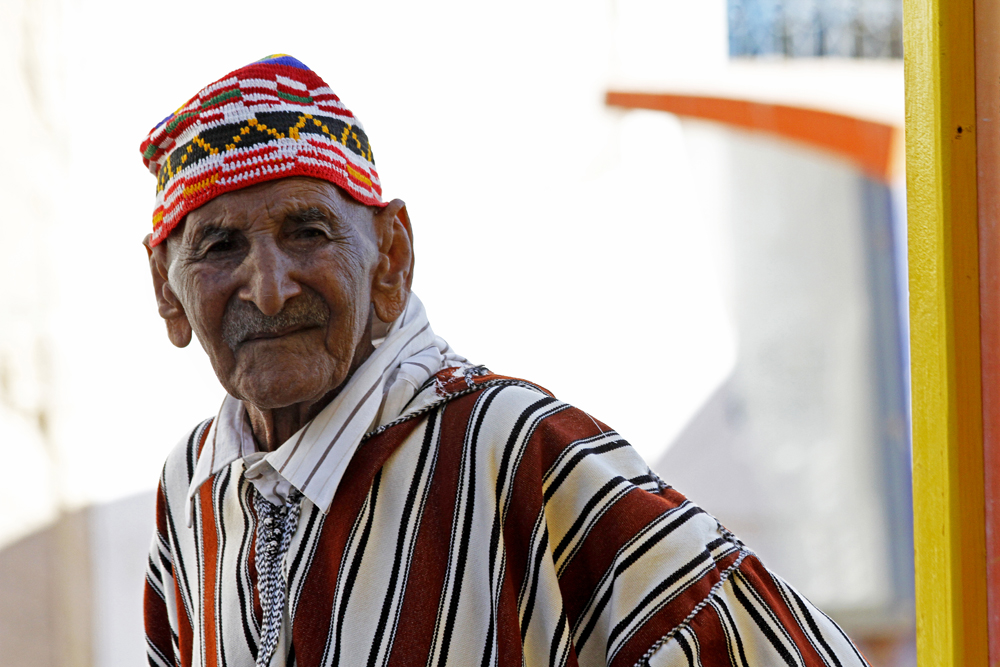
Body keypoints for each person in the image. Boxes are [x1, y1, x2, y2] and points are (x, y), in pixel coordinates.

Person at [141, 54, 869, 667]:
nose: (268, 290)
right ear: (166, 291)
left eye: (308, 231)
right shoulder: (191, 484)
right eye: (219, 246)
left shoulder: (515, 448)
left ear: (391, 258)